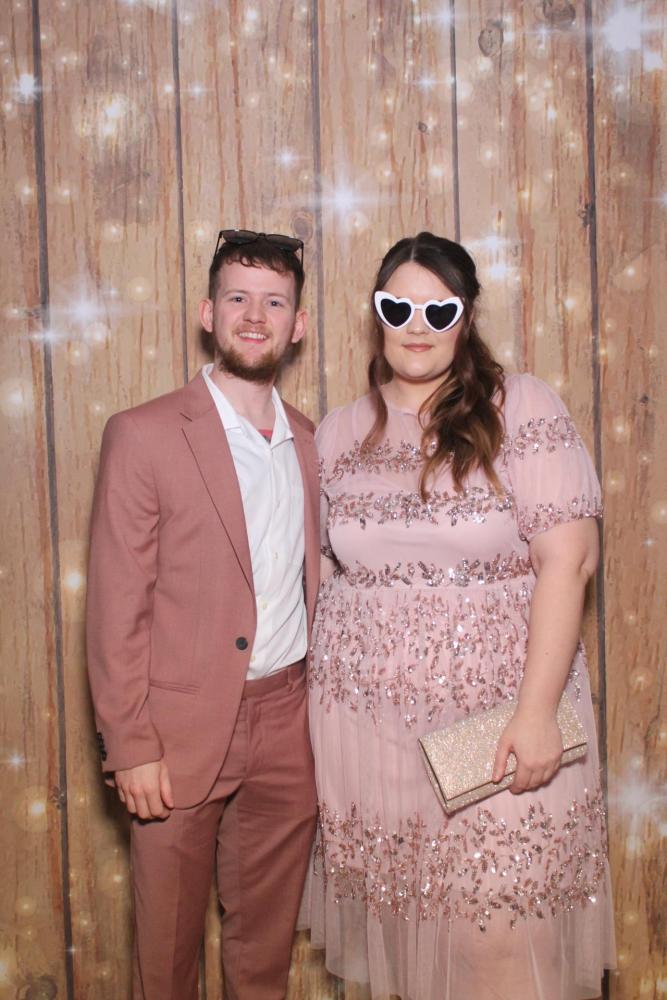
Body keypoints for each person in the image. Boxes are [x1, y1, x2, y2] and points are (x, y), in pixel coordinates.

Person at [306, 232, 615, 999]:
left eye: (438, 309)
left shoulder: (521, 407)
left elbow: (569, 562)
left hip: (498, 721)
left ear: (465, 316)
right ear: (376, 313)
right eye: (398, 307)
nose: (417, 325)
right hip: (371, 736)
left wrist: (535, 714)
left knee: (502, 942)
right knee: (426, 948)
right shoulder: (338, 432)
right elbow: (322, 573)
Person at [86, 229, 320, 1000]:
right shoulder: (143, 434)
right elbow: (117, 604)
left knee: (264, 958)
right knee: (166, 957)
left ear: (298, 325)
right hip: (176, 736)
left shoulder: (313, 443)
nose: (255, 316)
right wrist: (129, 744)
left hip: (289, 724)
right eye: (237, 297)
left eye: (274, 302)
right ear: (207, 312)